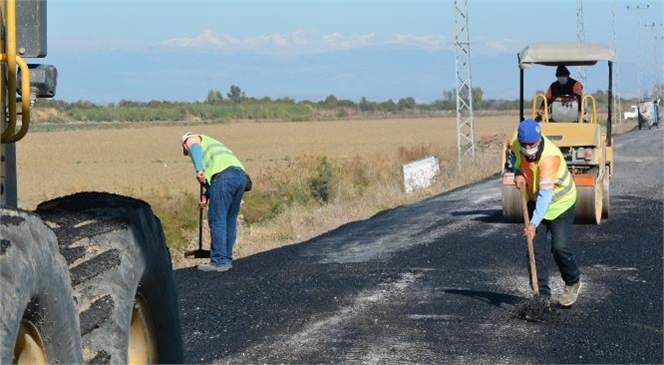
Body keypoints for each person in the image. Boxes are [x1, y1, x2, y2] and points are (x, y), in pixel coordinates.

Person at [513, 119, 582, 307]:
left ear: (539, 140)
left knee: (560, 248)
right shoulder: (517, 143)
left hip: (561, 204)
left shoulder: (549, 157)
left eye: (532, 144)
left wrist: (533, 224)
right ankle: (543, 297)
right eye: (524, 145)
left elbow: (545, 196)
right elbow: (514, 158)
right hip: (535, 202)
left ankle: (572, 282)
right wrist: (517, 172)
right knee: (534, 250)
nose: (528, 148)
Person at [181, 132, 247, 272]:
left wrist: (199, 169)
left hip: (224, 178)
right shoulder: (215, 146)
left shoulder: (191, 139)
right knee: (229, 219)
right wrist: (207, 194)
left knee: (217, 219)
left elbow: (195, 147)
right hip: (240, 177)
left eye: (185, 150)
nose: (187, 152)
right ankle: (226, 258)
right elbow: (215, 179)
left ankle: (219, 261)